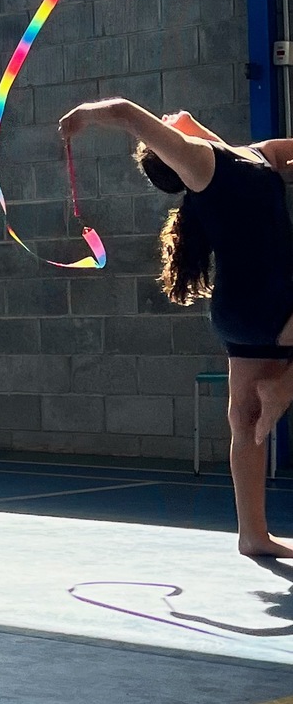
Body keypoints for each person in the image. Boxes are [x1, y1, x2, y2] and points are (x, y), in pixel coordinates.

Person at [58, 99, 293, 557]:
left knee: (245, 420)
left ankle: (253, 535)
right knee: (253, 412)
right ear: (172, 151)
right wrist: (85, 113)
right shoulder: (202, 162)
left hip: (241, 309)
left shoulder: (248, 155)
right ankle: (283, 388)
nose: (166, 117)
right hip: (267, 302)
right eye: (164, 130)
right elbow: (125, 111)